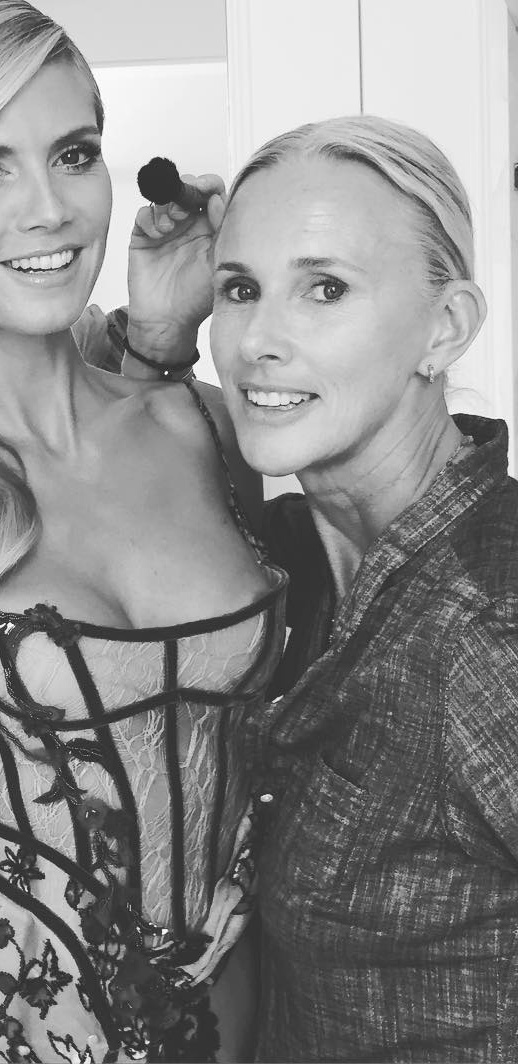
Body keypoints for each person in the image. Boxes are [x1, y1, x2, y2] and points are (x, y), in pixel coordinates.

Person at [0, 0, 288, 1061]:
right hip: (2, 1028)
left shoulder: (199, 425)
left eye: (73, 155)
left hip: (246, 1024)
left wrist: (166, 336)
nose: (51, 210)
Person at [84, 115, 516, 1061]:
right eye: (240, 289)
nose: (256, 342)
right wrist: (156, 339)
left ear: (445, 328)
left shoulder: (493, 622)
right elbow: (111, 560)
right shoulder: (283, 561)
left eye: (325, 288)